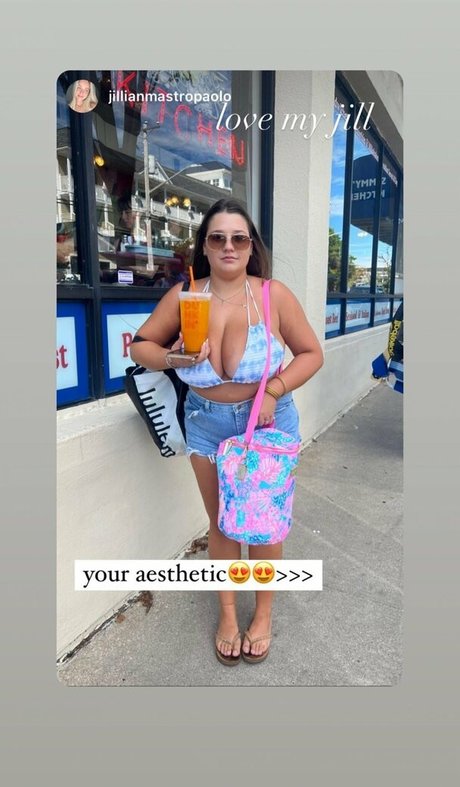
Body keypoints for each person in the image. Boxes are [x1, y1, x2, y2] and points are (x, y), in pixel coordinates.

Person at [130, 198, 324, 666]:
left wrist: (274, 390)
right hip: (206, 423)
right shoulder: (185, 296)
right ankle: (228, 614)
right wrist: (173, 358)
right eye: (217, 238)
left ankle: (264, 615)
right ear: (205, 246)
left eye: (239, 238)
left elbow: (311, 354)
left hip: (266, 424)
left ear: (252, 246)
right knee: (222, 524)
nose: (228, 246)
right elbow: (140, 347)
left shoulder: (273, 296)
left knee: (263, 524)